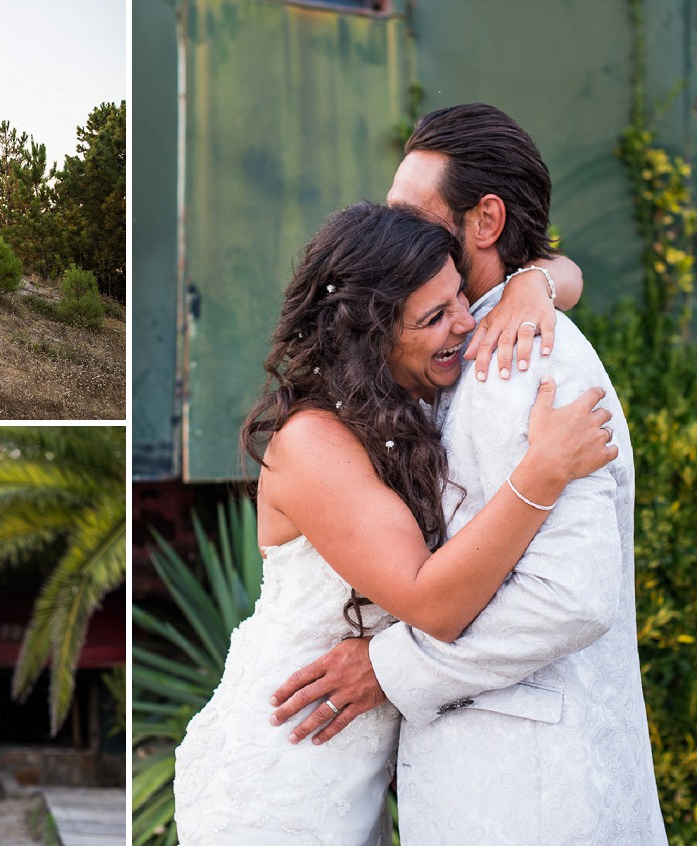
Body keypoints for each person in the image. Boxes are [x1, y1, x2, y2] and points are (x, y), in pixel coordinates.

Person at [268, 104, 667, 843]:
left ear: (484, 221)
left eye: (411, 214)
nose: (395, 233)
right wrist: (541, 278)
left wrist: (390, 668)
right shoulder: (461, 340)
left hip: (529, 792)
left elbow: (572, 598)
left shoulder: (528, 357)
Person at [171, 201, 617, 844]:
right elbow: (431, 602)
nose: (466, 324)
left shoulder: (390, 404)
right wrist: (543, 473)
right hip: (287, 768)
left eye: (461, 296)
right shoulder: (312, 443)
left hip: (348, 770)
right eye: (435, 318)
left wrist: (532, 286)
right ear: (369, 337)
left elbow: (563, 270)